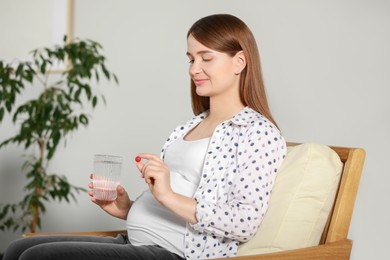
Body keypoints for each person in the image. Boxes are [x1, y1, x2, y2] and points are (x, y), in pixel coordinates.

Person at [3, 14, 286, 260]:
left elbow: (244, 221)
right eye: (190, 58)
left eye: (206, 58)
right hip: (133, 240)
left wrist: (167, 196)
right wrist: (127, 208)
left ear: (239, 62)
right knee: (17, 249)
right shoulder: (191, 125)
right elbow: (173, 195)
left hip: (172, 252)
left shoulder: (257, 133)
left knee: (36, 257)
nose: (193, 69)